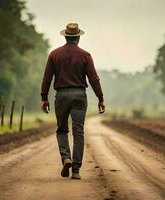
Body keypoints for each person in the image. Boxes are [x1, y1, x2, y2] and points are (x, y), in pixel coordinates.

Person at [40, 23, 105, 179]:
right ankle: (75, 170)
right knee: (78, 132)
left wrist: (44, 98)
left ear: (65, 36)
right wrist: (100, 98)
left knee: (62, 129)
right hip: (79, 96)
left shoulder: (54, 55)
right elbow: (94, 79)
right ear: (78, 37)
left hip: (61, 96)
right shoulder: (85, 55)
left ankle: (66, 158)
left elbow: (47, 78)